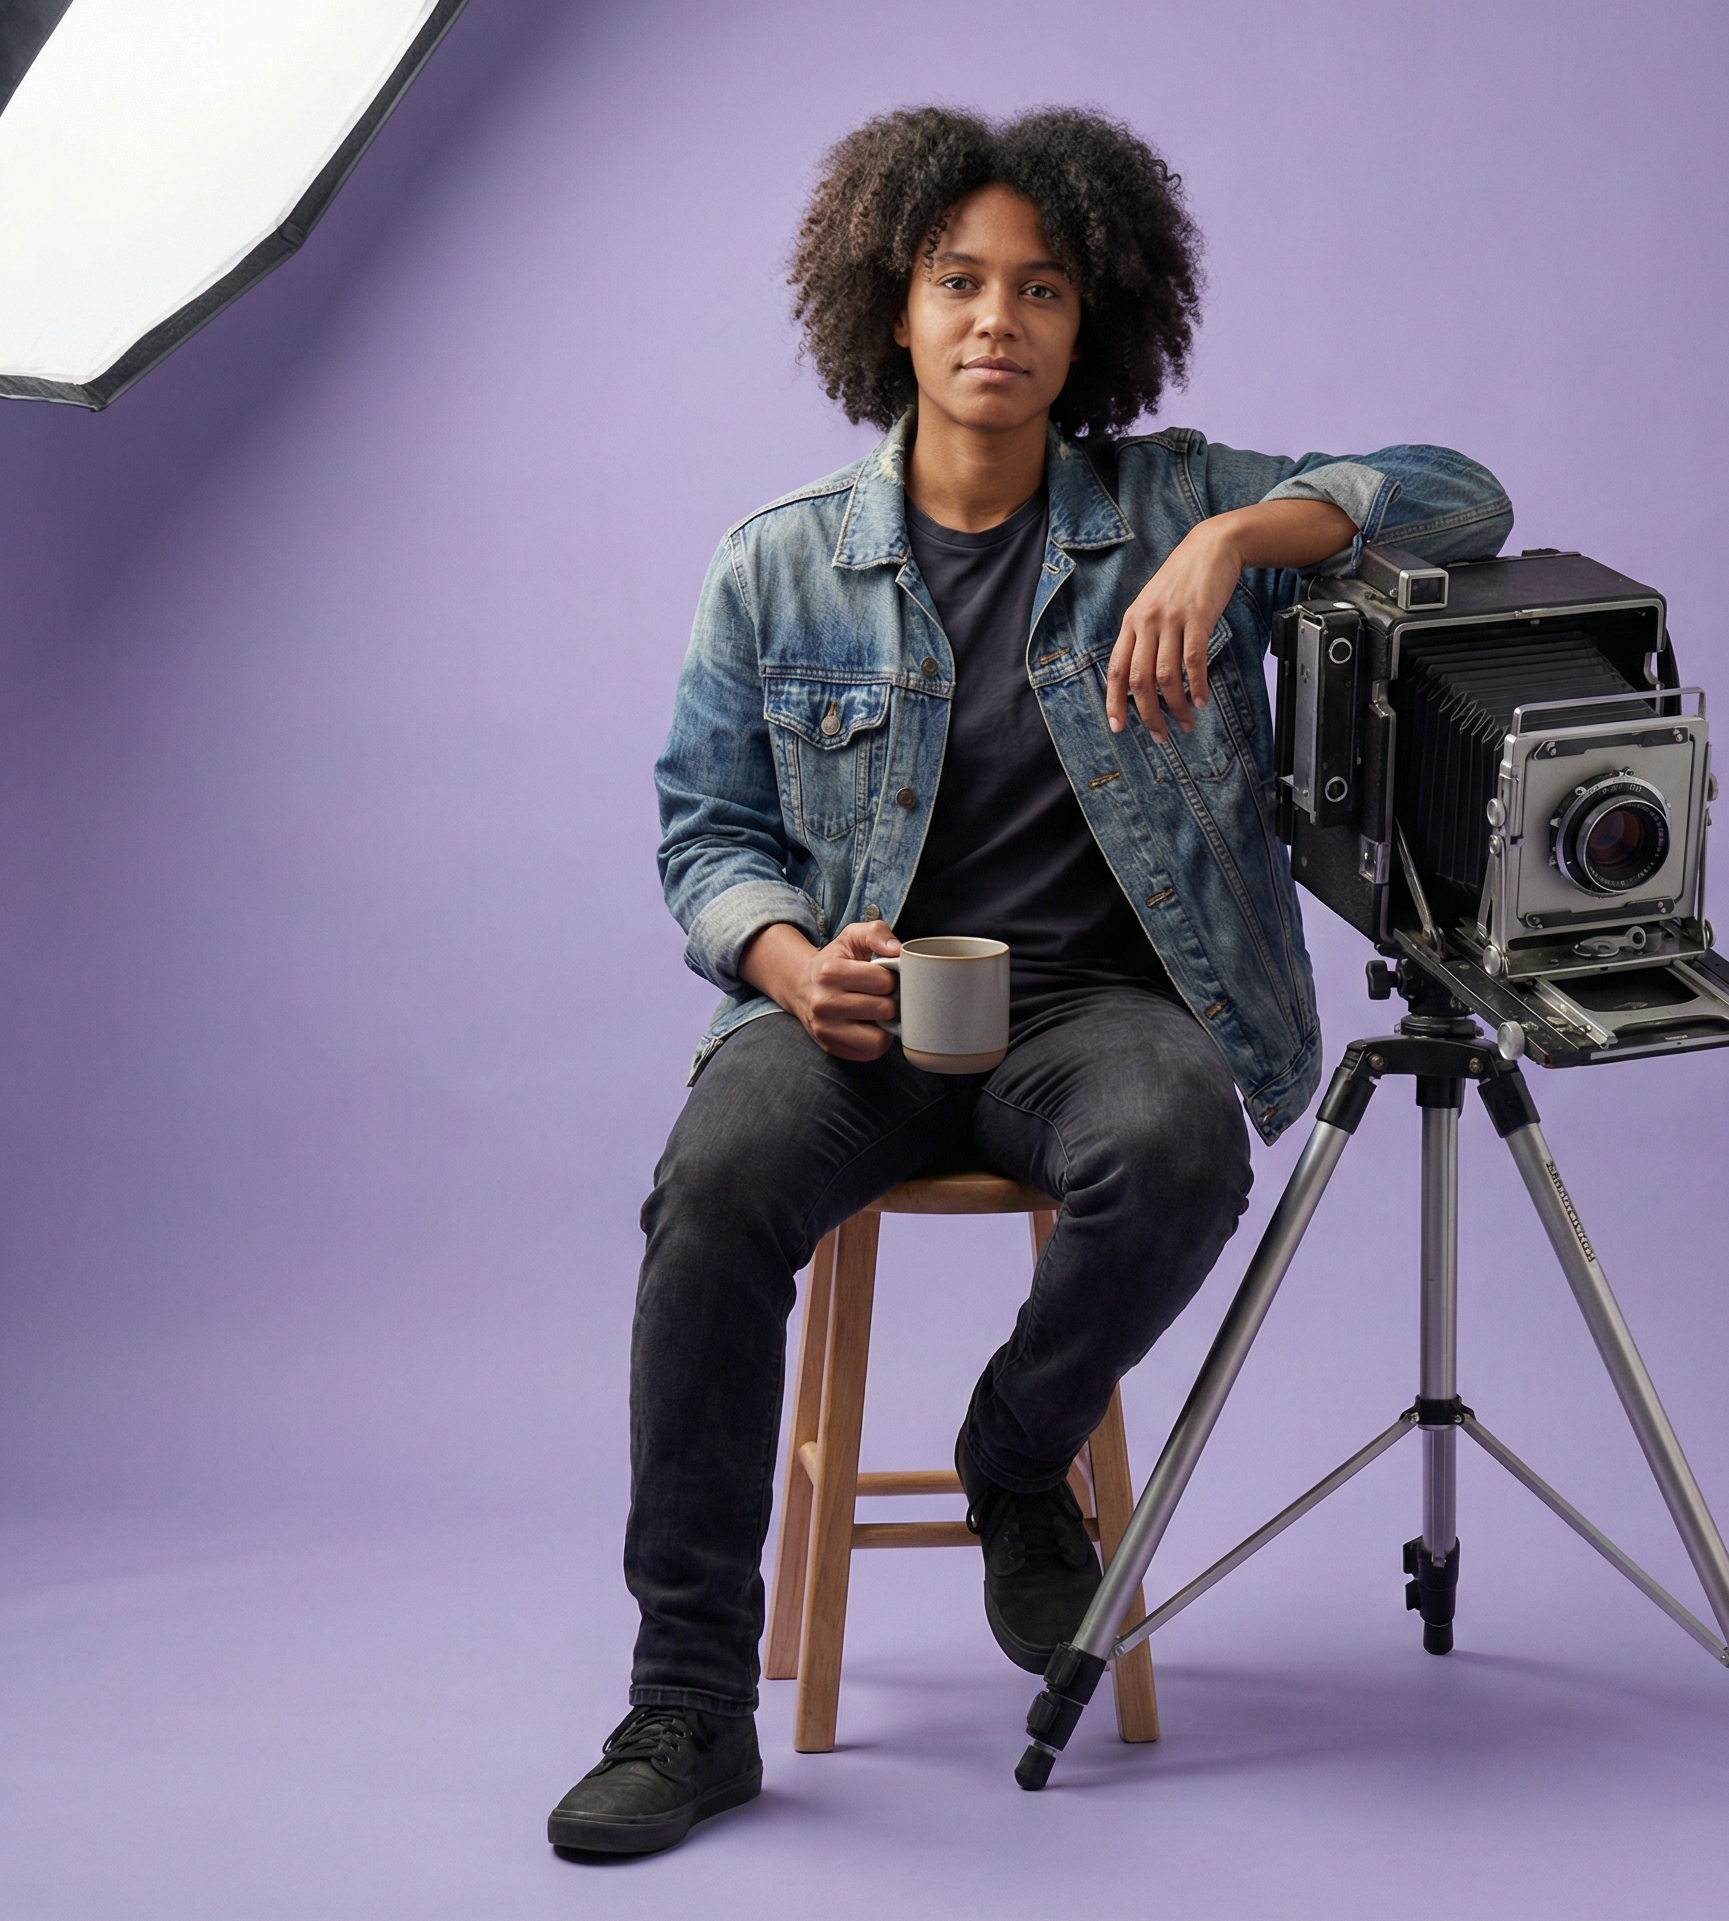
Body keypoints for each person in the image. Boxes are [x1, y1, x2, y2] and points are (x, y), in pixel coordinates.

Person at [548, 106, 1512, 1856]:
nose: (999, 319)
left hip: (1101, 1010)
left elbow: (1463, 496)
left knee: (1179, 1150)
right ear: (891, 309)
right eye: (958, 280)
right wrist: (784, 957)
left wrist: (1238, 544)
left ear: (1098, 320)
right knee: (711, 1189)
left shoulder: (1171, 501)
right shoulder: (778, 559)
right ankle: (687, 1697)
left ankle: (1013, 1455)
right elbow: (705, 834)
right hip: (855, 1009)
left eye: (1043, 286)